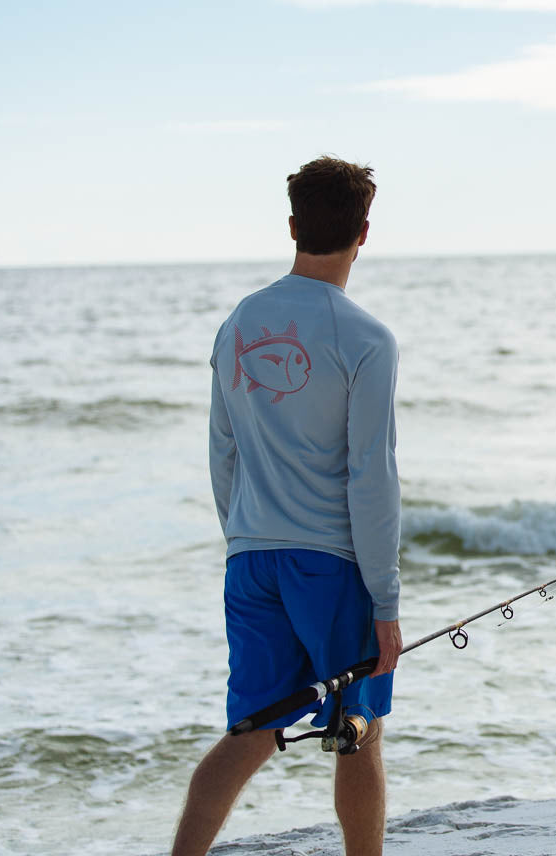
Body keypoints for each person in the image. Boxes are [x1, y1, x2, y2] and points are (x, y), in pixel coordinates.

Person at [171, 156, 403, 856]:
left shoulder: (239, 322)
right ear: (365, 230)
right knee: (356, 734)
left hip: (251, 561)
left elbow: (222, 451)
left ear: (294, 225)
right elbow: (372, 475)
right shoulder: (366, 339)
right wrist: (384, 601)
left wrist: (242, 538)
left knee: (253, 731)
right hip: (329, 567)